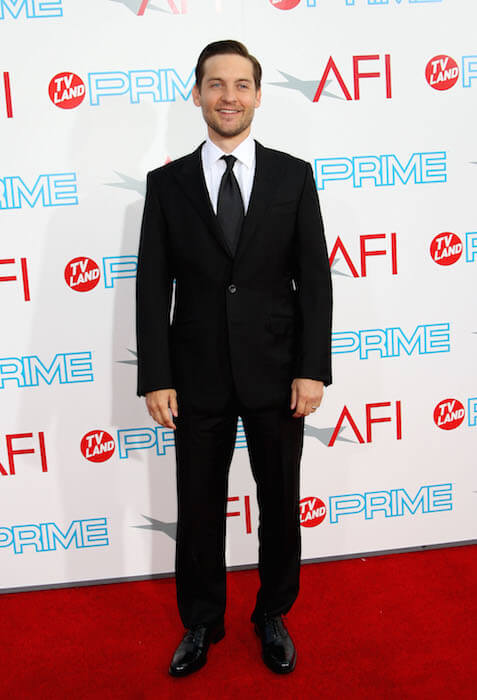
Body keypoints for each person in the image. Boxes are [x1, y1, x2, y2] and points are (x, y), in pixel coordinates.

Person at [136, 39, 332, 677]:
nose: (228, 96)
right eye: (215, 84)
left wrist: (311, 367)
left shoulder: (292, 176)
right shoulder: (165, 185)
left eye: (241, 84)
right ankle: (200, 622)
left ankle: (273, 613)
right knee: (197, 508)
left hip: (278, 374)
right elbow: (151, 285)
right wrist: (157, 375)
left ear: (256, 93)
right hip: (195, 377)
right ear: (196, 94)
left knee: (279, 502)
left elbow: (314, 281)